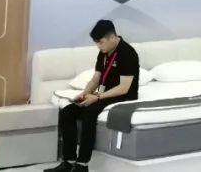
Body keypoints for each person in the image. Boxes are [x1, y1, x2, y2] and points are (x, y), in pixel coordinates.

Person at [46, 20, 139, 172]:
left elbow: (124, 88)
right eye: (96, 43)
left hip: (122, 97)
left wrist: (96, 98)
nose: (98, 46)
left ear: (112, 37)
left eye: (101, 42)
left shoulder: (128, 53)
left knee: (89, 112)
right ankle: (68, 161)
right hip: (103, 94)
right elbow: (96, 79)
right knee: (67, 112)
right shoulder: (103, 53)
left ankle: (82, 165)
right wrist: (85, 93)